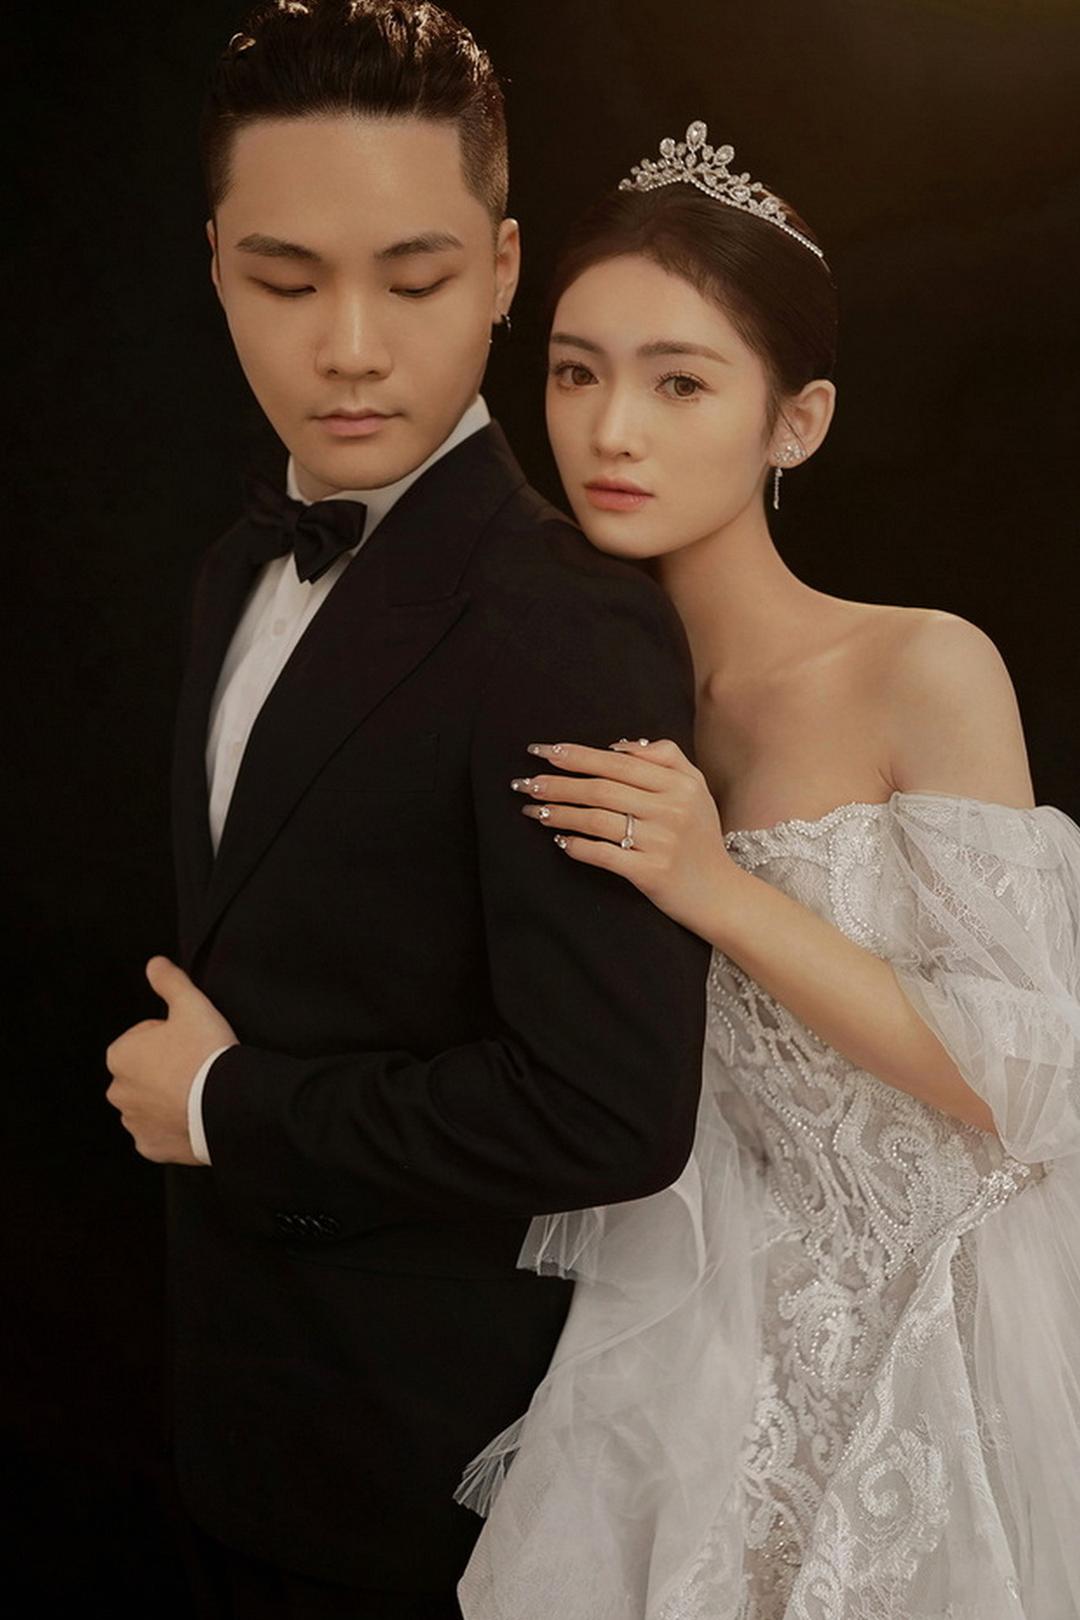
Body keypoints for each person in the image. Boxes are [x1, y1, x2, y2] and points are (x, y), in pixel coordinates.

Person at [102, 8, 714, 1614]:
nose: (351, 348)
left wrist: (226, 1106)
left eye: (417, 280)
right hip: (229, 1424)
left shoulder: (568, 624)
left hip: (442, 1485)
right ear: (216, 265)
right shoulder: (231, 567)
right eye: (286, 282)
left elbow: (608, 1114)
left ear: (504, 271)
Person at [456, 122, 1080, 1620]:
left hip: (936, 1346)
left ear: (794, 422)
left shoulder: (919, 666)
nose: (613, 429)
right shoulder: (570, 694)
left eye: (680, 382)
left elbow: (1031, 1076)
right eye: (576, 372)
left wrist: (715, 883)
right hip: (693, 1346)